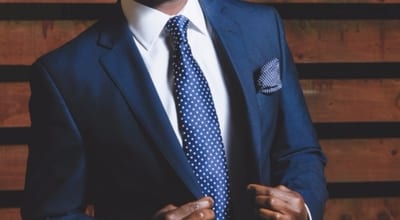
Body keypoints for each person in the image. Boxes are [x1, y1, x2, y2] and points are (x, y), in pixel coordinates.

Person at [21, 0, 328, 219]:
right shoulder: (66, 75)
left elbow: (298, 152)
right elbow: (51, 213)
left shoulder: (261, 27)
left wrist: (305, 211)